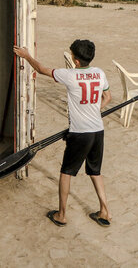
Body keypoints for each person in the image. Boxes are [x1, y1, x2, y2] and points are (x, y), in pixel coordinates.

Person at [13, 40, 112, 227]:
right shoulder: (99, 73)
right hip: (97, 130)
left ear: (75, 60)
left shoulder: (70, 75)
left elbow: (42, 70)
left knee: (66, 173)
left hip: (79, 133)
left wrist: (27, 56)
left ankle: (61, 215)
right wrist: (94, 110)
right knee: (95, 172)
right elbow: (107, 97)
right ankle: (105, 211)